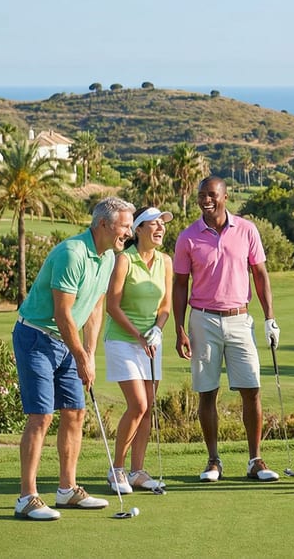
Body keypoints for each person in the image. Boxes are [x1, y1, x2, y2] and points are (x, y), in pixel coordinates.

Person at [13, 196, 134, 521]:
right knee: (41, 417)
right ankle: (27, 497)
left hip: (68, 341)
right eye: (125, 226)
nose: (130, 232)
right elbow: (62, 312)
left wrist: (90, 353)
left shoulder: (108, 256)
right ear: (104, 224)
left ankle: (67, 490)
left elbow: (94, 307)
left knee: (76, 412)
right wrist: (79, 353)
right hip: (36, 336)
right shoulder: (72, 253)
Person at [173, 176, 281, 482]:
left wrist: (269, 317)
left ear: (225, 196)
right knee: (207, 392)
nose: (206, 200)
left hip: (239, 319)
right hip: (202, 319)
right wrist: (179, 328)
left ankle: (255, 459)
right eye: (201, 196)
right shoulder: (188, 237)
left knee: (252, 389)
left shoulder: (246, 230)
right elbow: (180, 285)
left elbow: (260, 274)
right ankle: (213, 461)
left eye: (212, 195)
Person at [103, 206, 174, 494]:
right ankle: (116, 469)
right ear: (139, 230)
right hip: (122, 340)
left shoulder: (165, 261)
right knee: (138, 405)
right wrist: (139, 336)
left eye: (162, 224)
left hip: (151, 340)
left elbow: (165, 305)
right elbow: (112, 306)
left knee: (148, 410)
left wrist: (158, 329)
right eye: (153, 224)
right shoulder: (124, 261)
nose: (160, 228)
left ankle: (137, 472)